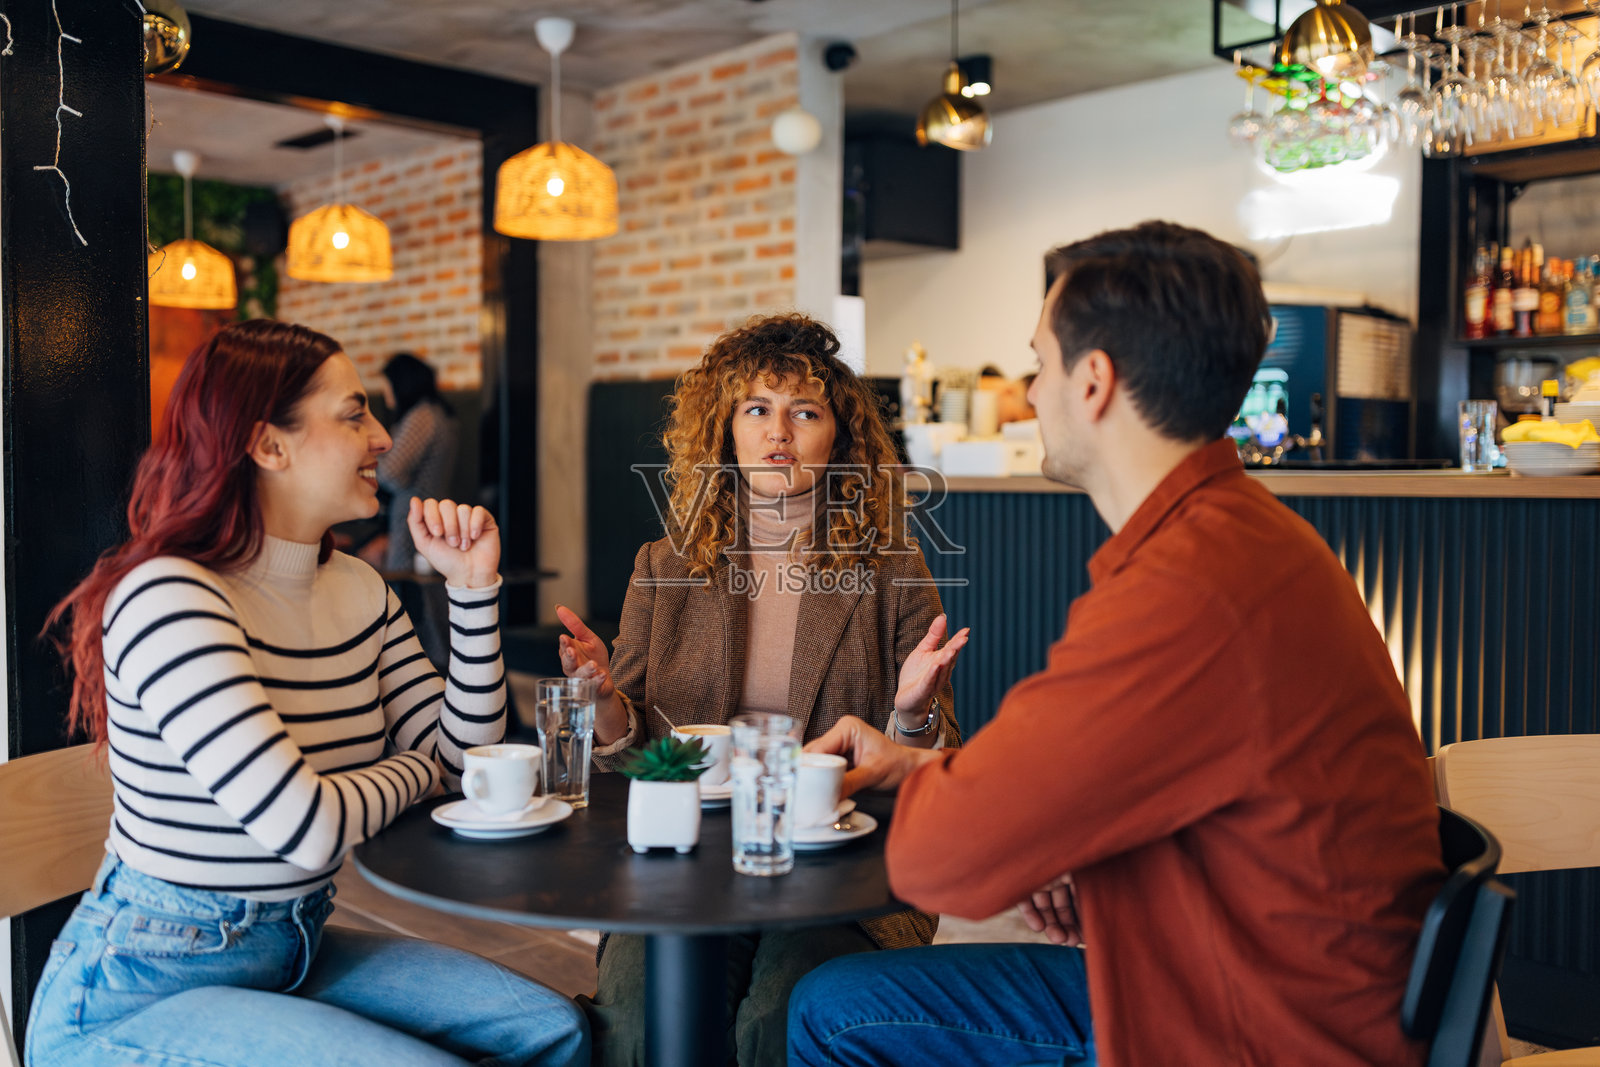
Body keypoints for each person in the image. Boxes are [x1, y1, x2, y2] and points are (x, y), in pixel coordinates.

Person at [787, 221, 1445, 1067]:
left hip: (1254, 1030)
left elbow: (938, 857)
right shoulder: (1243, 541)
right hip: (1261, 980)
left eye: (1041, 363)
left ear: (1093, 380)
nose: (1029, 393)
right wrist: (945, 782)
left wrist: (1010, 831)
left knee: (833, 1013)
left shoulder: (1187, 588)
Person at [28, 321, 588, 1067]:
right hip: (141, 986)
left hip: (293, 943)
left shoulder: (359, 587)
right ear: (268, 444)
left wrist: (473, 590)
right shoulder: (172, 597)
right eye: (355, 413)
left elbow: (473, 760)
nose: (384, 437)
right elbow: (308, 825)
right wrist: (425, 769)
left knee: (554, 1028)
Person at [555, 312, 969, 1067]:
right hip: (685, 859)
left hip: (839, 865)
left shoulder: (892, 567)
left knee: (779, 1021)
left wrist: (910, 714)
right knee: (644, 1024)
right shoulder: (664, 563)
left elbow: (931, 764)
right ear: (727, 431)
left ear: (837, 440)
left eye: (804, 411)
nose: (780, 430)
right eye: (757, 409)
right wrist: (606, 700)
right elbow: (634, 755)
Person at [374, 352, 459, 572]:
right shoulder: (436, 413)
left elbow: (391, 472)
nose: (385, 391)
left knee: (409, 586)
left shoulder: (422, 416)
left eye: (388, 384)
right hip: (428, 509)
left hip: (414, 513)